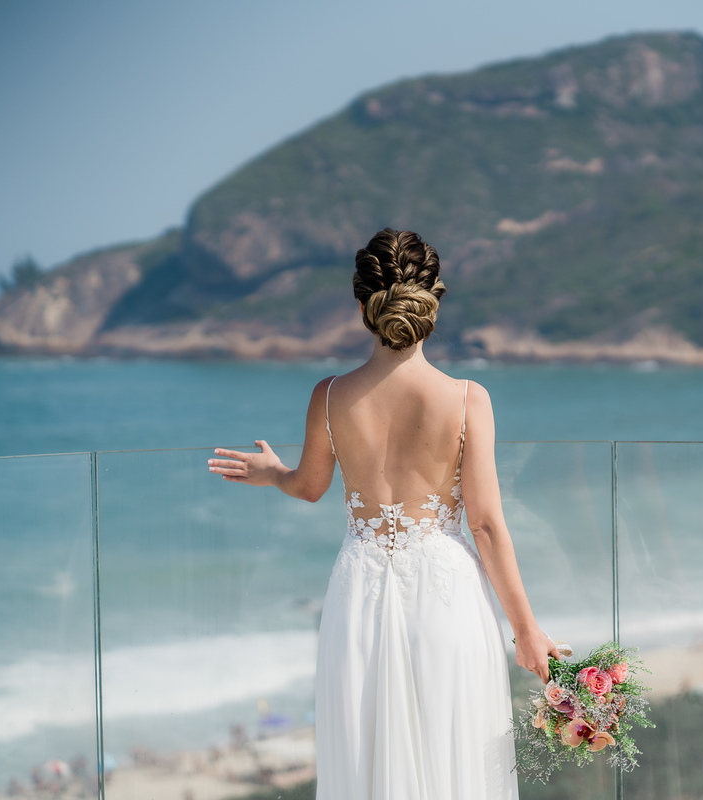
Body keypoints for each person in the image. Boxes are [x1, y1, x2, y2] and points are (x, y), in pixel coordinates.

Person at [207, 228, 558, 799]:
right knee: (456, 758)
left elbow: (310, 487)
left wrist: (273, 473)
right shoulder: (469, 399)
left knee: (365, 759)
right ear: (434, 298)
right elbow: (487, 524)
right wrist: (526, 631)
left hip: (358, 597)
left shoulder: (329, 395)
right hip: (447, 599)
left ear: (363, 304)